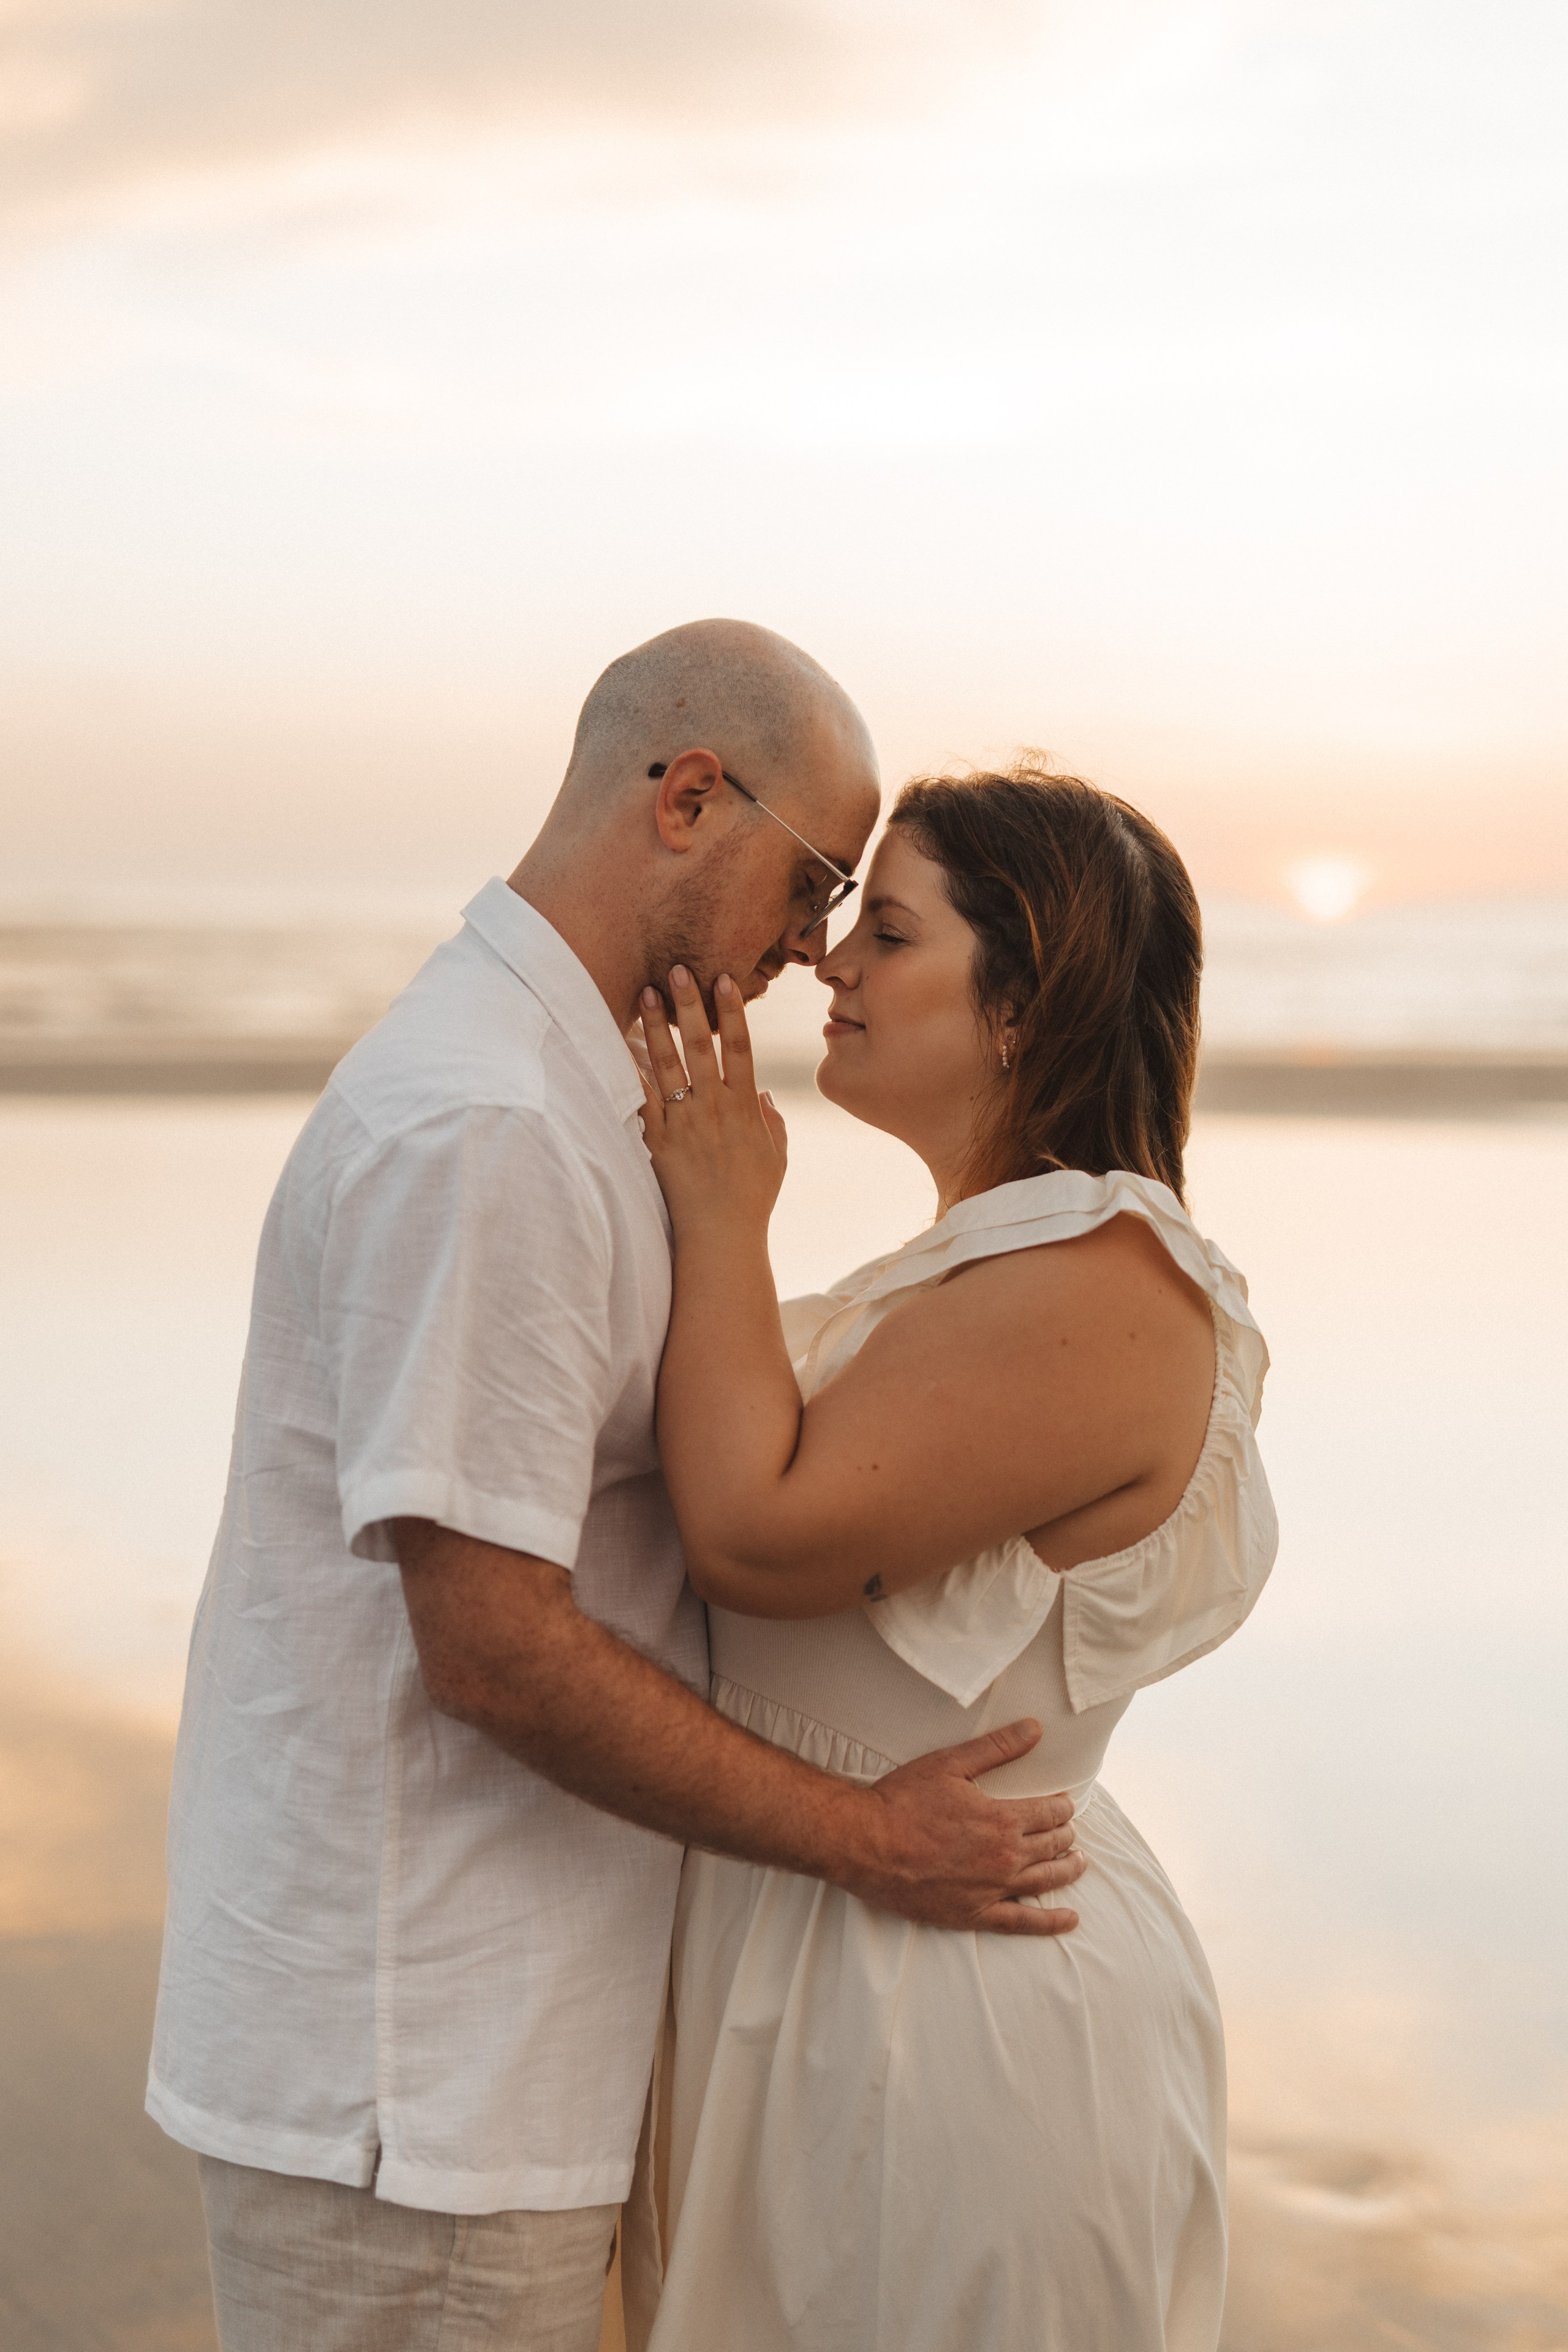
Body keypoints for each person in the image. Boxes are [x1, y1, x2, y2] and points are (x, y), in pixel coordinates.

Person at [146, 624, 1086, 2352]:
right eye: (813, 889)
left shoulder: (561, 1091)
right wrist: (874, 1841)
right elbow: (493, 1646)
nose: (814, 955)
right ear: (685, 801)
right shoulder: (492, 1129)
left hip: (461, 2068)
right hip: (417, 2091)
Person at [625, 762, 1280, 2352]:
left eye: (893, 933)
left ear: (1020, 1005)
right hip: (836, 1926)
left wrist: (724, 1212)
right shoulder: (983, 1267)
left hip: (947, 1995)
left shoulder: (1107, 1279)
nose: (833, 964)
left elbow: (756, 1537)